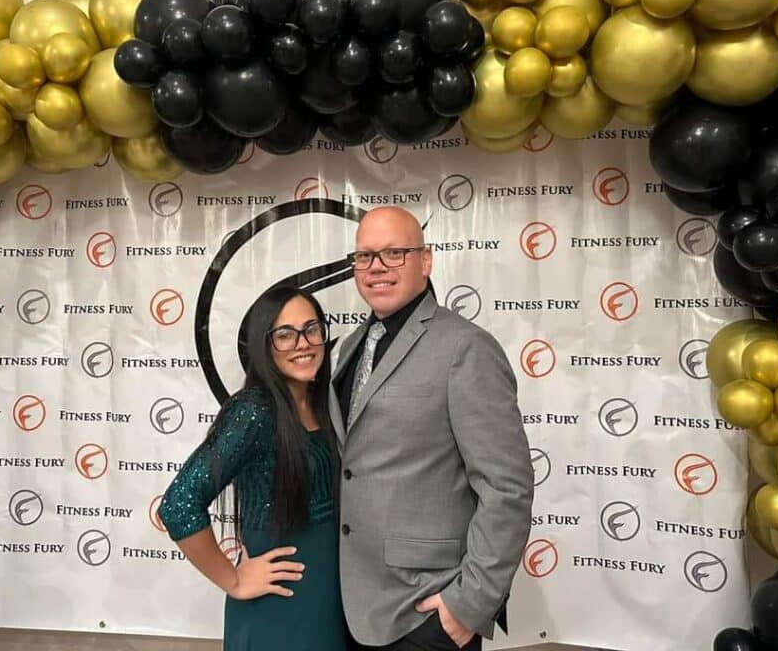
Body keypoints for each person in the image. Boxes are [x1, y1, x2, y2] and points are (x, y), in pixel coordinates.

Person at [333, 206, 534, 651]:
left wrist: (469, 603)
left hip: (425, 611)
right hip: (351, 604)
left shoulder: (466, 347)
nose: (376, 267)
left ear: (425, 261)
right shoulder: (349, 347)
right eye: (365, 256)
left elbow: (507, 487)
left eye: (394, 253)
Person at [158, 285, 347, 651]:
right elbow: (179, 504)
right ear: (264, 345)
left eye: (311, 329)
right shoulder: (253, 412)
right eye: (285, 335)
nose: (303, 343)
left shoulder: (325, 402)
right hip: (281, 606)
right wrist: (234, 580)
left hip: (331, 602)